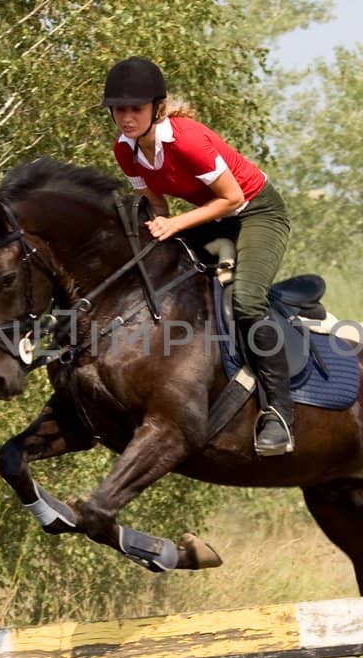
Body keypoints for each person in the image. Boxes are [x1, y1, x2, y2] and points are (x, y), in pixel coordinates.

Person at [101, 56, 295, 455]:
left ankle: (279, 412)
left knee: (246, 300)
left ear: (157, 108)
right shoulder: (126, 151)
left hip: (255, 211)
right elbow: (156, 207)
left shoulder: (186, 139)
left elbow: (233, 198)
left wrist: (174, 226)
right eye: (119, 109)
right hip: (212, 218)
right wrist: (157, 231)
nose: (126, 117)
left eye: (135, 109)